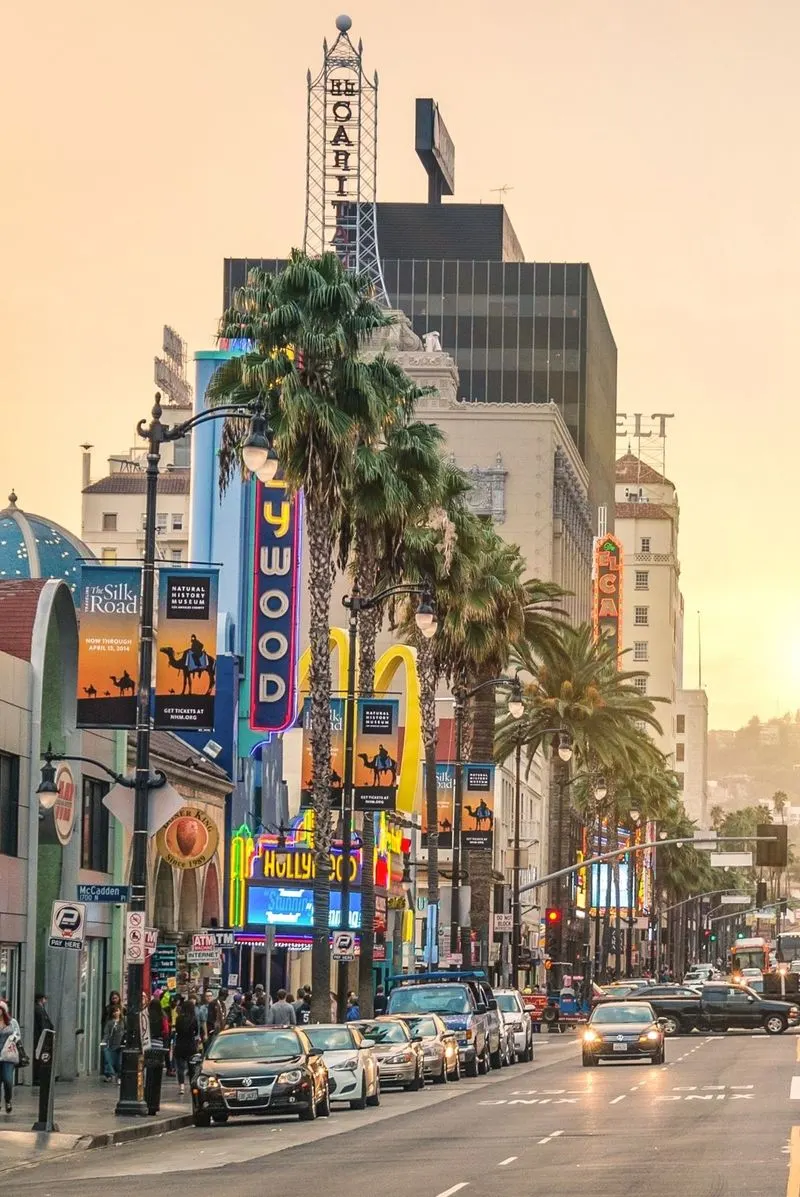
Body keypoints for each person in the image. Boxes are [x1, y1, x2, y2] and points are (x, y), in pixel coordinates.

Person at [173, 999, 199, 1097]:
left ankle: (182, 1086)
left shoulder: (179, 1018)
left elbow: (177, 1030)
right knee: (192, 1067)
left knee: (180, 1067)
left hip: (180, 1044)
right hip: (190, 1045)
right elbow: (196, 1031)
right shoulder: (194, 1019)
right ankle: (192, 1086)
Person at [0, 1001, 20, 1113]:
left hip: (8, 1055)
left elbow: (18, 1035)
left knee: (7, 1080)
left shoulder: (12, 1022)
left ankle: (8, 1100)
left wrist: (13, 1039)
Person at [32, 993, 53, 1086]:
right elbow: (43, 1024)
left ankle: (39, 1077)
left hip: (43, 1036)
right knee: (40, 1057)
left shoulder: (41, 1009)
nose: (46, 1000)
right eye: (45, 998)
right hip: (41, 1037)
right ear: (41, 999)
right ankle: (37, 1077)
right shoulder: (38, 1009)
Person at [101, 1006, 125, 1082]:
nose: (116, 1013)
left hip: (121, 1045)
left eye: (117, 1011)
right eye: (114, 1012)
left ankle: (119, 1076)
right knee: (111, 1060)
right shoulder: (110, 1022)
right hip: (112, 1045)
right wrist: (104, 1041)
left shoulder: (123, 1021)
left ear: (120, 1011)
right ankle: (111, 1075)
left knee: (120, 1062)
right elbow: (106, 1033)